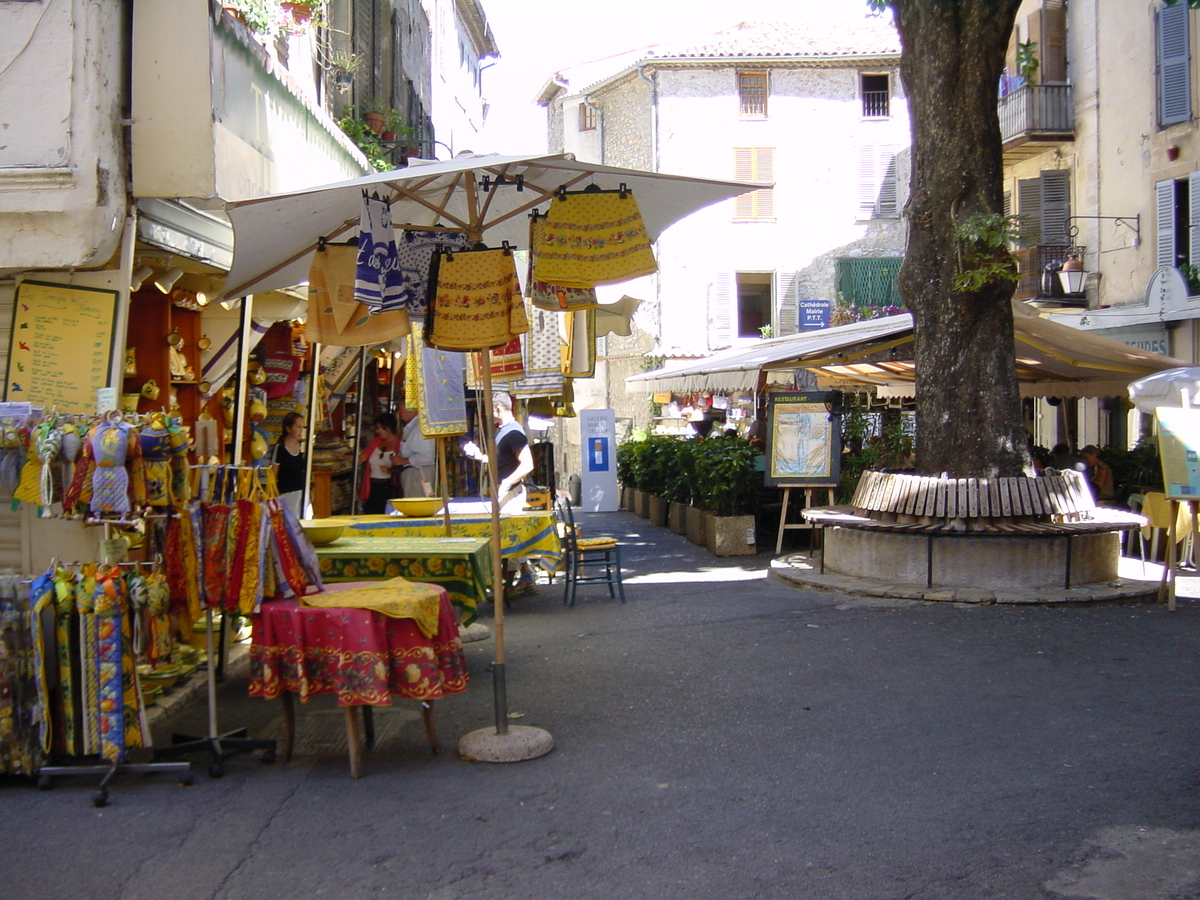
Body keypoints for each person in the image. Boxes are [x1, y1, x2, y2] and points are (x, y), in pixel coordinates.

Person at [463, 392, 537, 594]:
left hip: (510, 493)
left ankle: (506, 587)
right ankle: (524, 577)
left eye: (489, 409)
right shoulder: (505, 431)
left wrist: (507, 483)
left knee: (508, 538)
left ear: (497, 408)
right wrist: (481, 457)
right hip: (504, 491)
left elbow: (528, 464)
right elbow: (502, 460)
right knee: (506, 536)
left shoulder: (513, 432)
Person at [358, 412, 403, 515]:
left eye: (379, 428)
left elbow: (403, 465)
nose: (377, 431)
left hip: (389, 486)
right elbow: (362, 457)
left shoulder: (400, 443)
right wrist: (343, 457)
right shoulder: (377, 441)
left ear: (388, 428)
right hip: (373, 485)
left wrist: (390, 471)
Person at [272, 411, 307, 517]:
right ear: (288, 429)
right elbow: (273, 474)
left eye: (303, 427)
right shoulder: (280, 449)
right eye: (298, 427)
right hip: (287, 494)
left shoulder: (303, 447)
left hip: (302, 492)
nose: (302, 431)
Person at [396, 404, 435, 498]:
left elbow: (427, 456)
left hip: (417, 475)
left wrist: (403, 461)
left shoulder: (419, 428)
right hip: (413, 474)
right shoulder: (413, 426)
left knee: (417, 505)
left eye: (401, 409)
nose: (399, 412)